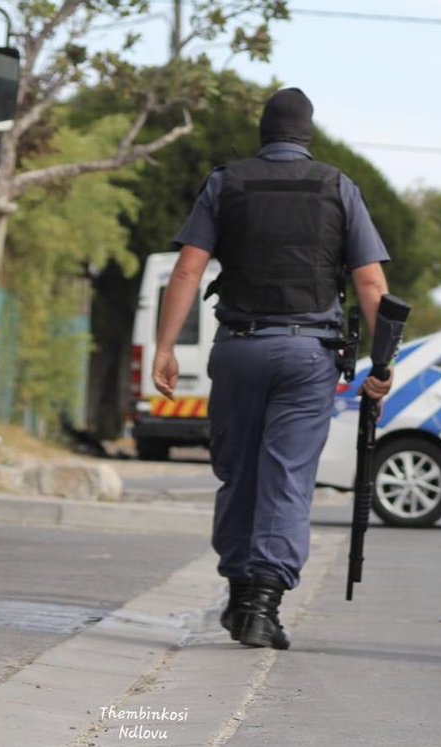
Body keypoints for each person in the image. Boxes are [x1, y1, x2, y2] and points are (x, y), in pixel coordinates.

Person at [152, 87, 393, 650]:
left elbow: (188, 270)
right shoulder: (339, 187)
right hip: (309, 356)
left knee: (238, 473)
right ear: (307, 136)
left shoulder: (226, 182)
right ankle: (262, 608)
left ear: (264, 134)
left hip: (238, 348)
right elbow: (371, 284)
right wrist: (383, 363)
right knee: (286, 478)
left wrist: (166, 346)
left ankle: (239, 596)